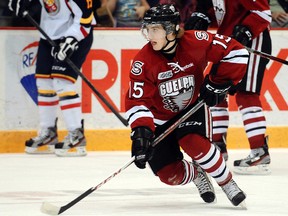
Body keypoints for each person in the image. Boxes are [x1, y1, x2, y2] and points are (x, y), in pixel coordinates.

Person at [125, 4, 249, 206]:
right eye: (148, 29)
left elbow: (236, 52)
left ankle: (226, 182)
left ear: (171, 29)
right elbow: (137, 101)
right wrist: (141, 133)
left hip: (192, 109)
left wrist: (217, 84)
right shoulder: (142, 62)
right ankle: (197, 174)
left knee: (194, 143)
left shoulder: (195, 41)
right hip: (158, 119)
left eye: (155, 29)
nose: (149, 35)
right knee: (168, 174)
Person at [185, 0, 272, 175]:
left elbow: (263, 14)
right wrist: (201, 17)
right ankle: (217, 148)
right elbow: (209, 9)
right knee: (216, 91)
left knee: (246, 94)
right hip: (226, 41)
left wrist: (247, 29)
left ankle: (259, 151)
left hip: (253, 41)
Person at [8, 0, 95, 156]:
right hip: (48, 34)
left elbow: (85, 21)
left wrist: (71, 40)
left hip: (77, 34)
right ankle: (48, 131)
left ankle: (77, 134)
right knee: (44, 83)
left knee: (62, 82)